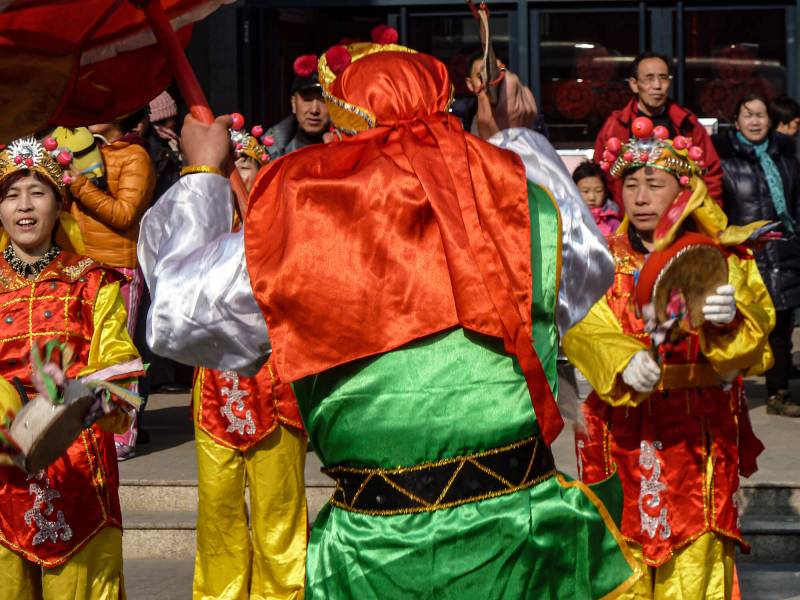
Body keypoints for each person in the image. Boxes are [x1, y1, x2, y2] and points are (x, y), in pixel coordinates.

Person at [139, 40, 642, 597]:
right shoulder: (518, 201)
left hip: (376, 552)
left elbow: (177, 318)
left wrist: (202, 177)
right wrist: (514, 138)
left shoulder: (301, 224)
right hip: (521, 533)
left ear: (346, 127)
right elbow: (586, 265)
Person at [565, 119, 775, 598]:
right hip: (620, 435)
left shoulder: (722, 255)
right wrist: (618, 357)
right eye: (631, 184)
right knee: (622, 564)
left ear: (684, 193)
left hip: (696, 439)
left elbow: (757, 339)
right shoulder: (598, 257)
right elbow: (580, 325)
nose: (639, 197)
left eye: (654, 185)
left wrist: (730, 319)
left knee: (694, 564)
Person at [0, 136, 140, 599]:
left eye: (37, 192)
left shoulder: (92, 282)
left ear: (58, 204)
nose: (24, 206)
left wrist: (88, 399)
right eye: (11, 194)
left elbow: (120, 374)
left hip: (80, 479)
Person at [188, 125, 307, 599]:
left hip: (276, 386)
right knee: (218, 512)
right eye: (224, 166)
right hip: (215, 392)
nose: (233, 174)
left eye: (244, 164)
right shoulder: (199, 236)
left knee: (279, 511)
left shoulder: (288, 230)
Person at [69, 109, 156, 458]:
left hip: (118, 266)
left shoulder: (134, 155)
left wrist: (76, 184)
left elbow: (124, 214)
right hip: (80, 264)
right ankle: (87, 425)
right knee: (85, 350)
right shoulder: (82, 152)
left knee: (118, 353)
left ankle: (122, 433)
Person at [713, 94, 800, 417]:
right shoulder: (723, 163)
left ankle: (778, 393)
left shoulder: (786, 158)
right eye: (747, 115)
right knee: (738, 327)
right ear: (736, 121)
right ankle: (729, 395)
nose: (754, 121)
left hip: (785, 251)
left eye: (760, 115)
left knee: (780, 326)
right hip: (745, 256)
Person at [594, 52, 723, 203]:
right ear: (634, 84)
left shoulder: (686, 123)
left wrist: (710, 218)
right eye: (649, 78)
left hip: (679, 218)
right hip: (630, 218)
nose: (657, 86)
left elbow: (711, 174)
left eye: (663, 78)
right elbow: (601, 177)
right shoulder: (616, 126)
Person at [264, 55, 331, 160]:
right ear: (294, 104)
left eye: (323, 101)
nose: (314, 110)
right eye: (307, 100)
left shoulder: (349, 150)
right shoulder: (269, 152)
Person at [573, 161, 622, 237]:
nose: (592, 197)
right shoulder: (568, 219)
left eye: (598, 191)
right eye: (585, 191)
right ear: (573, 191)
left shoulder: (613, 222)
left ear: (605, 192)